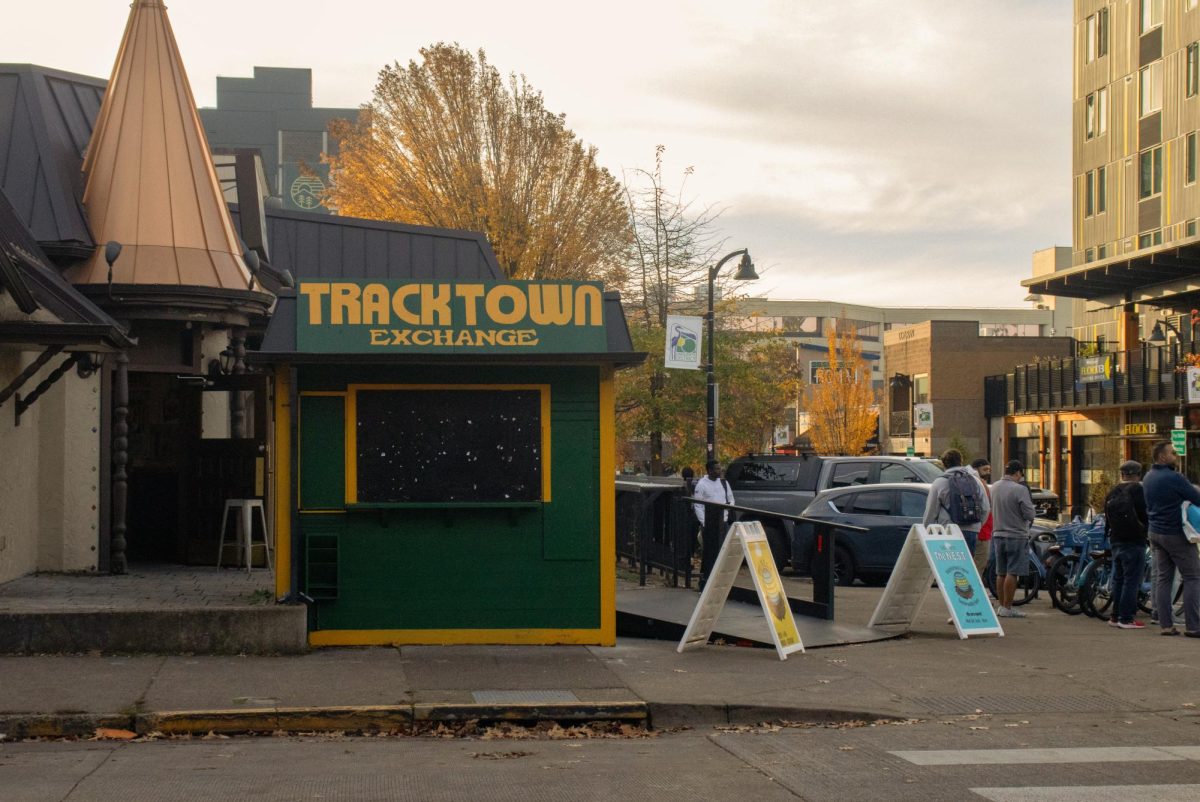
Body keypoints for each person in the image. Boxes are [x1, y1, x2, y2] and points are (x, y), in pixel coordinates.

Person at [1141, 441, 1200, 637]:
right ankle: (1194, 626)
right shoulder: (1174, 477)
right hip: (1176, 533)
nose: (1176, 456)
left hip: (1155, 532)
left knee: (1163, 579)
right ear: (1162, 457)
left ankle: (1165, 624)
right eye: (1172, 453)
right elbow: (1196, 497)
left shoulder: (1148, 477)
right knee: (1193, 577)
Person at [1103, 460, 1149, 629]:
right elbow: (1146, 513)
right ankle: (1126, 618)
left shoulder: (1113, 491)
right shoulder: (1139, 490)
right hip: (1135, 540)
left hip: (1116, 539)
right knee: (1132, 580)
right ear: (1138, 474)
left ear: (1122, 474)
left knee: (1119, 579)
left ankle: (1115, 616)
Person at [922, 449, 990, 554]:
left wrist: (927, 530)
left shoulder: (939, 482)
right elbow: (985, 508)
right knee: (966, 566)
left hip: (948, 531)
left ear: (944, 464)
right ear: (961, 461)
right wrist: (977, 526)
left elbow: (931, 511)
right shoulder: (975, 480)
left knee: (949, 566)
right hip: (971, 531)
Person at [990, 459, 1035, 618]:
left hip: (998, 534)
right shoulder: (1019, 489)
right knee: (1012, 572)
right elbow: (1029, 514)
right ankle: (1008, 607)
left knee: (1000, 572)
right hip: (1016, 534)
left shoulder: (994, 487)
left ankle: (1001, 606)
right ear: (1017, 473)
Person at [693, 460, 735, 583]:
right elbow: (698, 505)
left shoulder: (724, 483)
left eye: (720, 468)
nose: (720, 470)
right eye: (717, 469)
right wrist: (704, 522)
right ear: (710, 470)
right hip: (709, 523)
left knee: (723, 549)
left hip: (723, 521)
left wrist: (726, 512)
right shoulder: (702, 485)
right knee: (710, 552)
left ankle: (720, 576)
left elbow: (731, 499)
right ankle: (706, 577)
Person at [970, 458, 994, 574]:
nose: (988, 472)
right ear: (976, 469)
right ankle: (973, 591)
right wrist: (981, 525)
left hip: (979, 530)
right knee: (979, 565)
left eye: (989, 469)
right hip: (982, 531)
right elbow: (986, 508)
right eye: (985, 469)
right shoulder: (979, 484)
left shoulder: (974, 482)